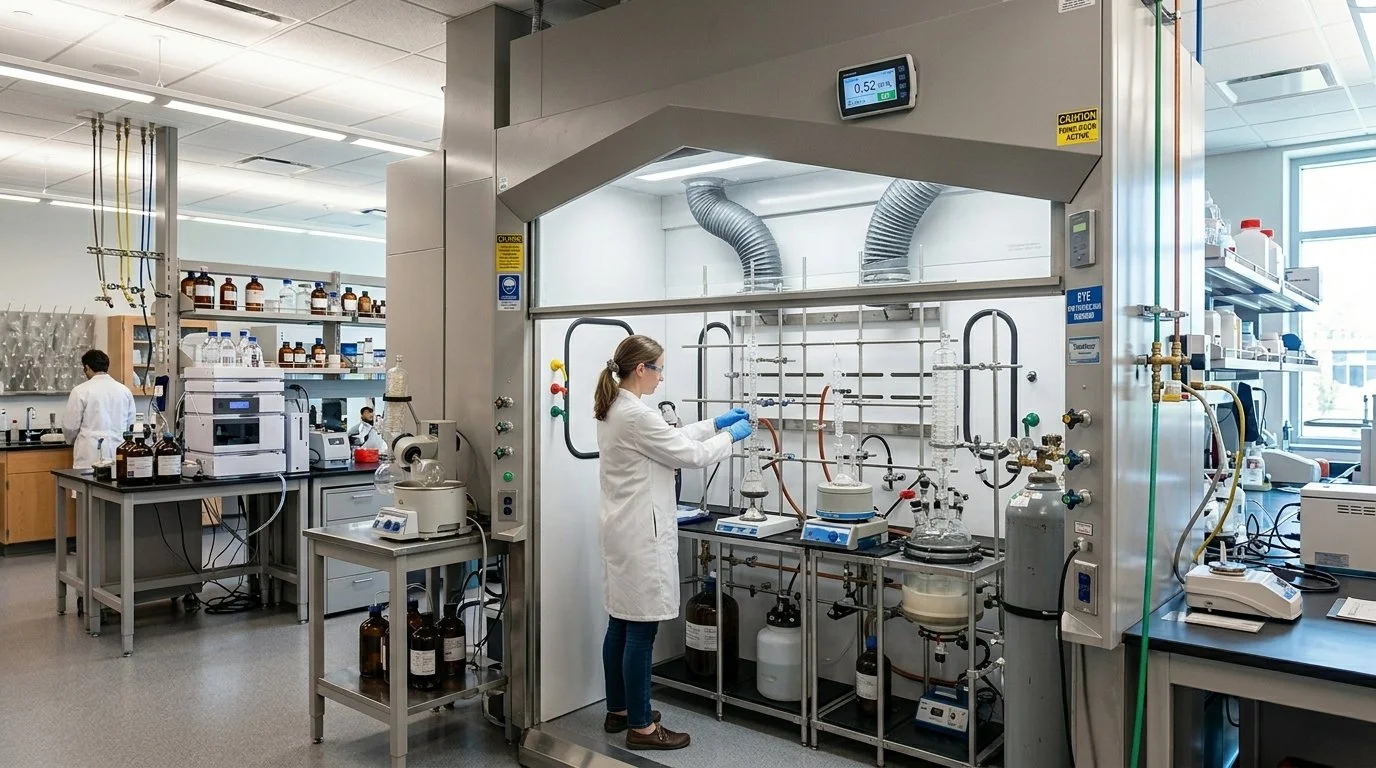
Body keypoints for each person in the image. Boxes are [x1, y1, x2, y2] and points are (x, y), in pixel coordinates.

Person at [593, 334, 753, 751]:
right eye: (659, 368)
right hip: (640, 536)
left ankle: (620, 710)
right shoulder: (634, 415)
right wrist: (732, 437)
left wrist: (714, 423)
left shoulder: (616, 407)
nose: (662, 377)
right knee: (641, 631)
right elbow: (688, 454)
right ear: (641, 369)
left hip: (621, 531)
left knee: (621, 623)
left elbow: (670, 435)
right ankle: (643, 728)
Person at [61, 349, 137, 470]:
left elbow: (70, 426)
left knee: (86, 487)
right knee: (113, 486)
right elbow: (131, 425)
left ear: (87, 367)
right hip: (118, 450)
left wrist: (70, 441)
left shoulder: (80, 391)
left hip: (89, 454)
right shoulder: (124, 391)